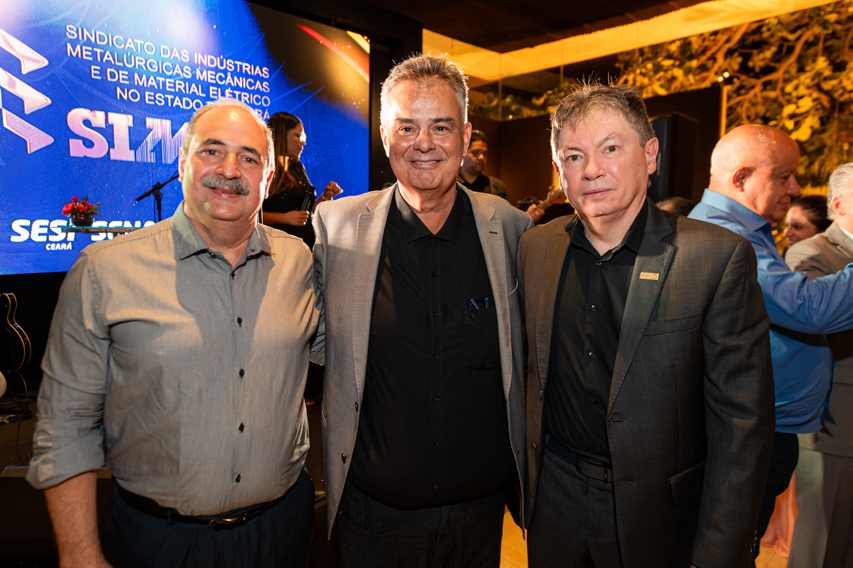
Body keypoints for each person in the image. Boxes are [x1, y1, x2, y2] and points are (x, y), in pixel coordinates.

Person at [26, 99, 324, 568]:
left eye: (249, 158)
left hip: (281, 531)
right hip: (158, 542)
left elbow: (347, 351)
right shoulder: (105, 271)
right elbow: (65, 424)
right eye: (212, 151)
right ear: (182, 163)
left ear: (267, 178)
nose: (230, 170)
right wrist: (80, 554)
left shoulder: (299, 262)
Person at [521, 83, 775, 568]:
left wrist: (719, 551)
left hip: (661, 515)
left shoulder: (715, 258)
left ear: (651, 154)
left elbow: (742, 424)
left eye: (610, 149)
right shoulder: (536, 248)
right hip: (554, 500)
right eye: (573, 156)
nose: (591, 169)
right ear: (559, 170)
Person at [313, 54, 532, 567]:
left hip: (479, 520)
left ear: (465, 135)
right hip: (374, 518)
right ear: (385, 135)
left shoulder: (512, 229)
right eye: (407, 126)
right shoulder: (335, 228)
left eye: (441, 126)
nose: (424, 143)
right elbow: (314, 342)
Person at [689, 125, 853, 563]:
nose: (795, 188)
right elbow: (808, 308)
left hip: (761, 426)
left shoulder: (747, 230)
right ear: (741, 178)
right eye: (784, 176)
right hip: (745, 431)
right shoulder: (727, 234)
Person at [785, 163, 853, 567]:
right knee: (821, 544)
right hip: (835, 421)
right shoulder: (811, 252)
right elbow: (811, 321)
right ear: (840, 204)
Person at [261, 112, 342, 249]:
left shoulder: (297, 167)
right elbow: (250, 215)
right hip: (277, 248)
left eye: (303, 136)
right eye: (297, 135)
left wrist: (325, 197)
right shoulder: (263, 167)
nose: (303, 142)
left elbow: (306, 212)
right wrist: (285, 218)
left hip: (304, 246)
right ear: (281, 135)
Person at [456, 129, 510, 201]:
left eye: (484, 154)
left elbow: (512, 208)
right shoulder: (449, 185)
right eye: (475, 152)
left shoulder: (496, 187)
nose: (481, 157)